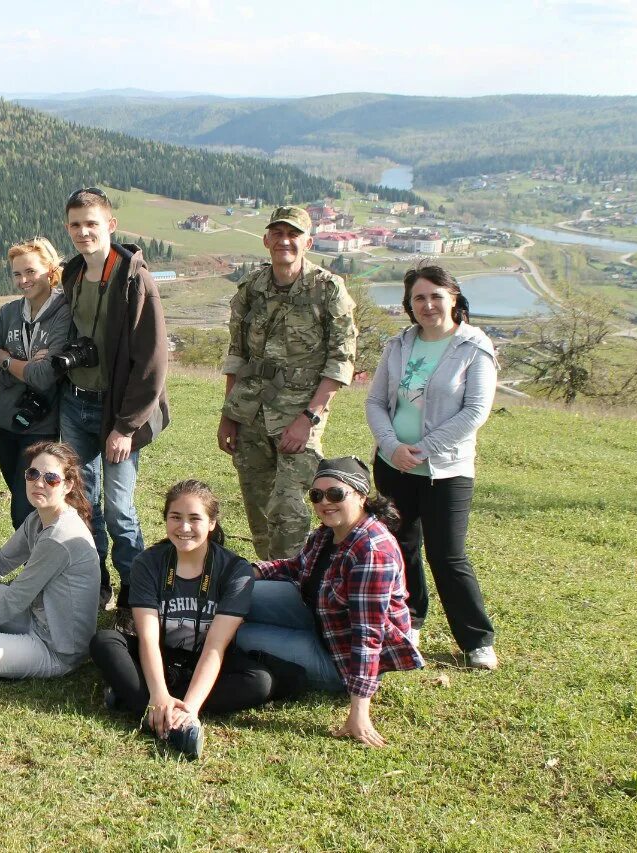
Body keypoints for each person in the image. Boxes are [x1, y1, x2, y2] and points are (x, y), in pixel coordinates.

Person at [89, 480, 306, 759]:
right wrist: (158, 695)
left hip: (205, 659)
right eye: (175, 517)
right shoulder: (149, 562)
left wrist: (190, 708)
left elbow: (216, 645)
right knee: (105, 641)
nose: (184, 527)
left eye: (195, 518)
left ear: (212, 523)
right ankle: (155, 708)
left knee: (260, 681)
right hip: (161, 656)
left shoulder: (234, 570)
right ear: (166, 519)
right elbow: (148, 638)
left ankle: (138, 702)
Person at [236, 457, 424, 748]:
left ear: (361, 495)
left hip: (339, 659)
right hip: (318, 616)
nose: (325, 502)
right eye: (316, 495)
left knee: (237, 634)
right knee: (236, 596)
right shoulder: (328, 532)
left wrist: (359, 712)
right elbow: (298, 567)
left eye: (336, 493)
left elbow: (367, 634)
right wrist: (254, 571)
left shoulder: (372, 552)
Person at [365, 265, 499, 669]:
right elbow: (375, 402)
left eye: (436, 295)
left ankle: (477, 640)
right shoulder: (398, 345)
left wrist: (421, 449)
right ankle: (411, 621)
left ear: (454, 298)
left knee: (448, 555)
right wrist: (392, 446)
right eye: (418, 298)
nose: (427, 305)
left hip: (447, 471)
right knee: (401, 548)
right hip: (393, 466)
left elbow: (475, 411)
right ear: (409, 305)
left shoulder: (475, 347)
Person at [219, 205, 358, 561]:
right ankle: (269, 585)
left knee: (290, 514)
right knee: (259, 512)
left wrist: (307, 419)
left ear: (308, 242)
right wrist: (228, 415)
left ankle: (299, 588)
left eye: (293, 234)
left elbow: (341, 361)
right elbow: (237, 354)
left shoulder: (327, 290)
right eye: (277, 234)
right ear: (266, 240)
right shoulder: (252, 289)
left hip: (299, 417)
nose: (285, 241)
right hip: (250, 415)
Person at [58, 188, 169, 623]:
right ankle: (94, 582)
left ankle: (134, 593)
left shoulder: (133, 278)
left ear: (111, 225)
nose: (84, 232)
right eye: (75, 224)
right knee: (84, 503)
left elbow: (153, 359)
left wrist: (126, 426)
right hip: (75, 402)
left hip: (117, 411)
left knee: (120, 509)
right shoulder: (71, 275)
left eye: (92, 223)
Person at [0, 442, 99, 679]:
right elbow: (1, 561)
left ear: (68, 485)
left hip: (58, 647)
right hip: (34, 615)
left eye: (51, 478)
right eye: (33, 474)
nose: (39, 483)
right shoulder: (38, 518)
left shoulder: (59, 537)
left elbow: (17, 598)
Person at [0, 237, 71, 529]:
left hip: (41, 426)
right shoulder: (9, 313)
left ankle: (41, 568)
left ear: (49, 269)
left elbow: (45, 378)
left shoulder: (63, 313)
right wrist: (28, 366)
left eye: (30, 271)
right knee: (20, 497)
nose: (23, 280)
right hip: (4, 421)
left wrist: (7, 360)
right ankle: (36, 566)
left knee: (27, 507)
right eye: (17, 274)